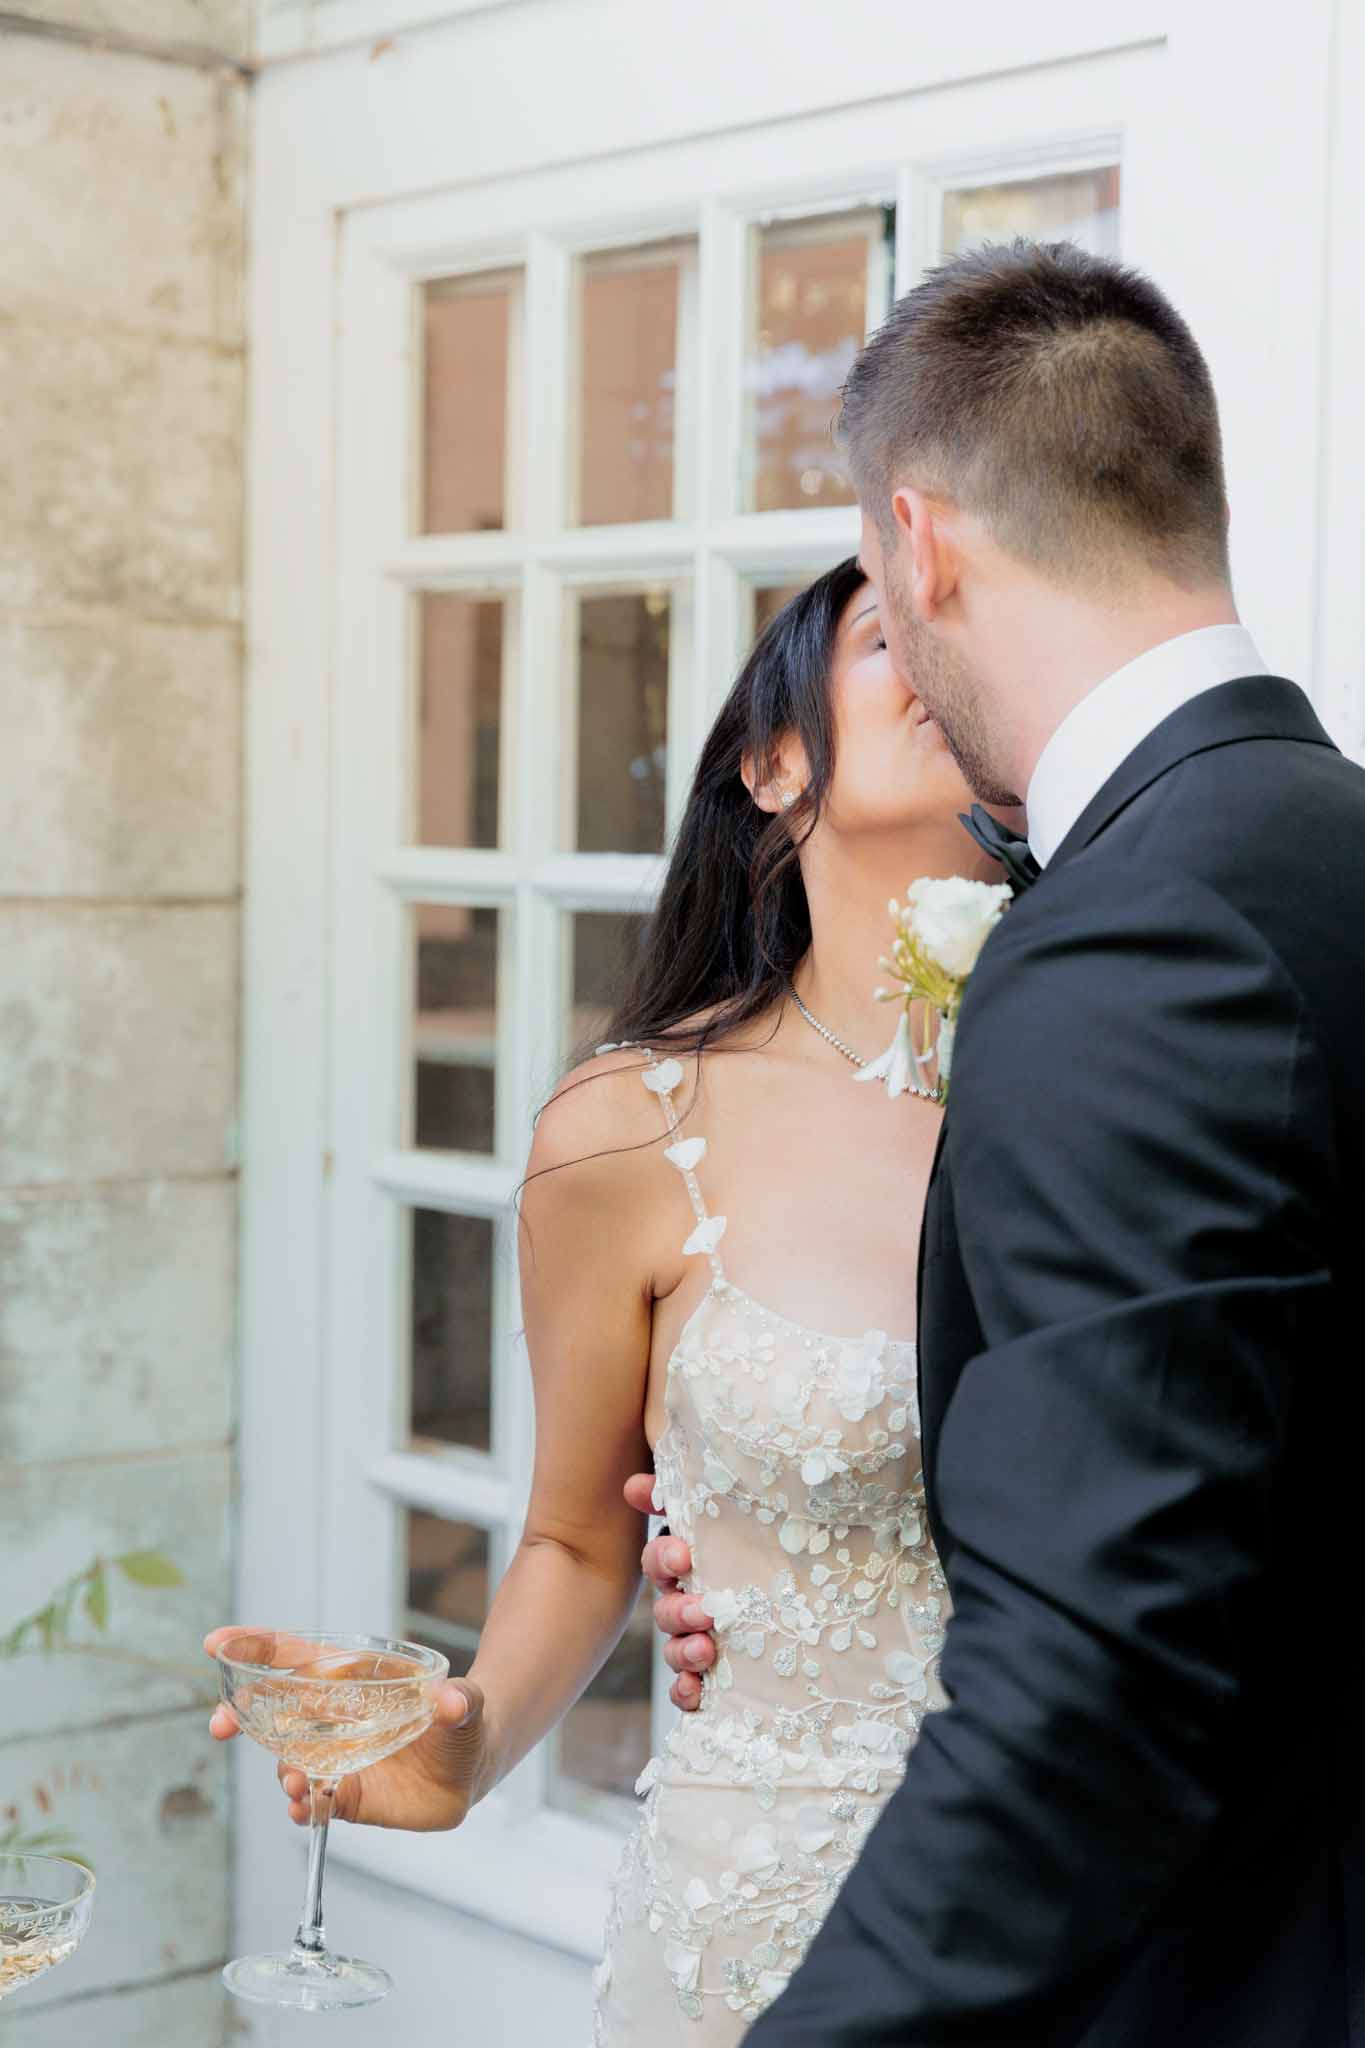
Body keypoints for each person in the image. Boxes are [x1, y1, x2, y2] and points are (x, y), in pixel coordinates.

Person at [639, 240, 1365, 2044]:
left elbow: (1094, 1693)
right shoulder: (1323, 849)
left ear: (927, 541)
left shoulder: (1135, 936)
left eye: (879, 589)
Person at [205, 555, 1008, 2041]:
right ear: (772, 764)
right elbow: (581, 1534)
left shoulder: (1116, 1082)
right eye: (896, 634)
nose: (947, 661)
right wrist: (467, 1749)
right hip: (766, 1912)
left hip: (1091, 1903)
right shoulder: (632, 1130)